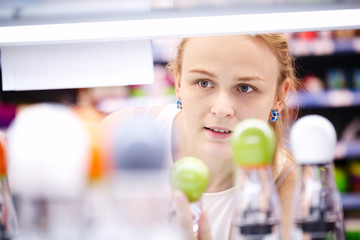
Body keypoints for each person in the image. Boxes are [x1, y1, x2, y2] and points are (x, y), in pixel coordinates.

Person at [101, 33, 300, 240]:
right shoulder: (120, 138)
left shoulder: (290, 190)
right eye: (203, 83)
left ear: (279, 97)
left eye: (245, 88)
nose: (222, 109)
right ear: (178, 83)